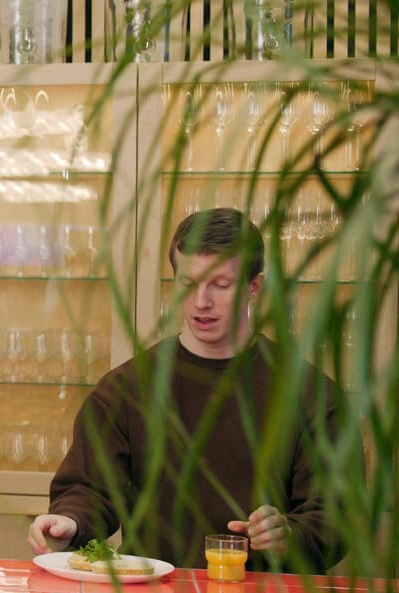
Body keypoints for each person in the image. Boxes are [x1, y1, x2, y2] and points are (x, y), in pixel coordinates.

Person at [28, 208, 346, 572]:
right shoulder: (125, 389)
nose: (201, 302)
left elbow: (337, 516)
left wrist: (291, 534)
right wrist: (71, 521)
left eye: (220, 285)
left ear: (253, 286)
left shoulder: (310, 394)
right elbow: (90, 490)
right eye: (188, 284)